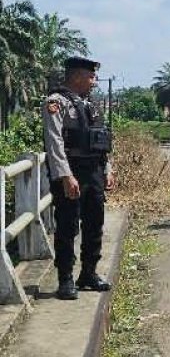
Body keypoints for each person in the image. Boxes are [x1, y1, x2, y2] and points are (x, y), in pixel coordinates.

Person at [42, 56, 114, 300]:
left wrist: (107, 169)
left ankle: (89, 274)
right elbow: (55, 143)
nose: (94, 81)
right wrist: (65, 176)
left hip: (93, 171)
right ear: (76, 76)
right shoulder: (56, 103)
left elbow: (102, 140)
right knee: (67, 225)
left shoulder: (91, 105)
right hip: (70, 172)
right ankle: (65, 279)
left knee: (95, 222)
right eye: (91, 76)